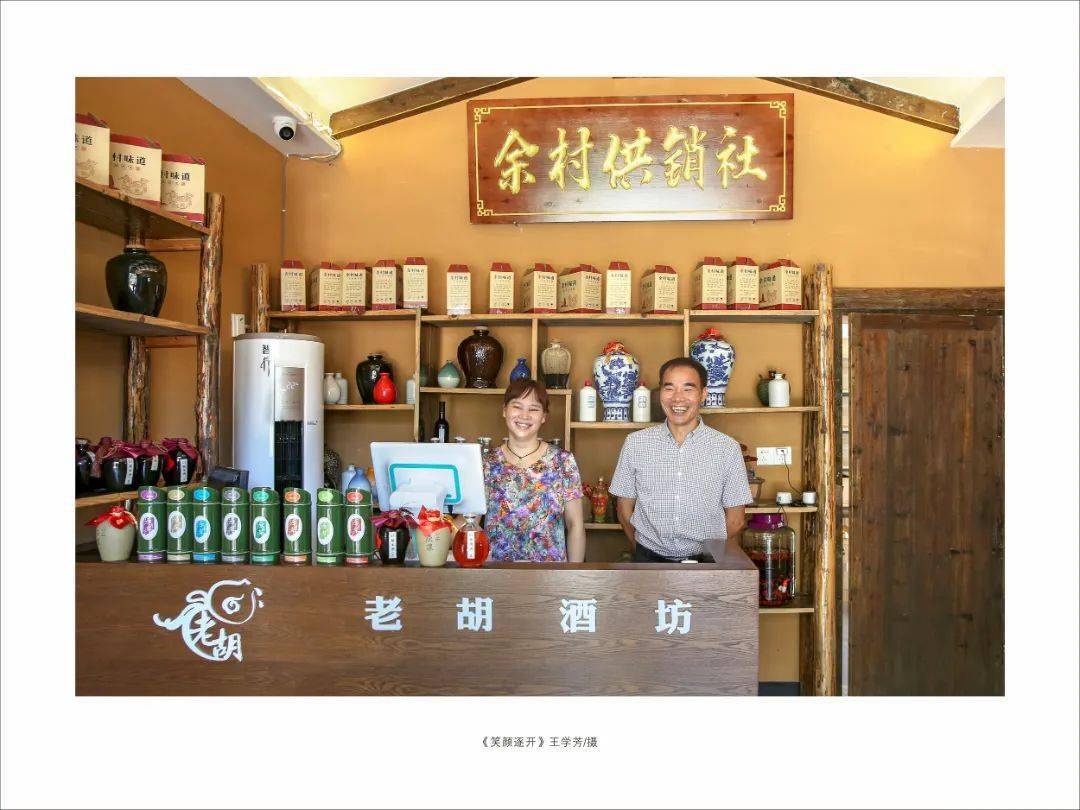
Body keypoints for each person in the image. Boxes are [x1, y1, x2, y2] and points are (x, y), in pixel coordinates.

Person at [609, 357, 752, 562]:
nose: (677, 398)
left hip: (707, 561)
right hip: (648, 559)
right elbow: (623, 510)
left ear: (703, 394)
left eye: (688, 388)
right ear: (660, 393)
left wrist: (706, 556)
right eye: (669, 388)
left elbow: (736, 520)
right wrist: (641, 549)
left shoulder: (727, 448)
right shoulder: (635, 443)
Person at [481, 379, 586, 562]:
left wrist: (574, 576)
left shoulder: (562, 462)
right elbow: (468, 521)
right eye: (517, 406)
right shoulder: (487, 463)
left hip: (550, 574)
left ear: (544, 416)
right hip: (496, 573)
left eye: (534, 409)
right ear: (504, 410)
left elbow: (575, 525)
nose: (525, 415)